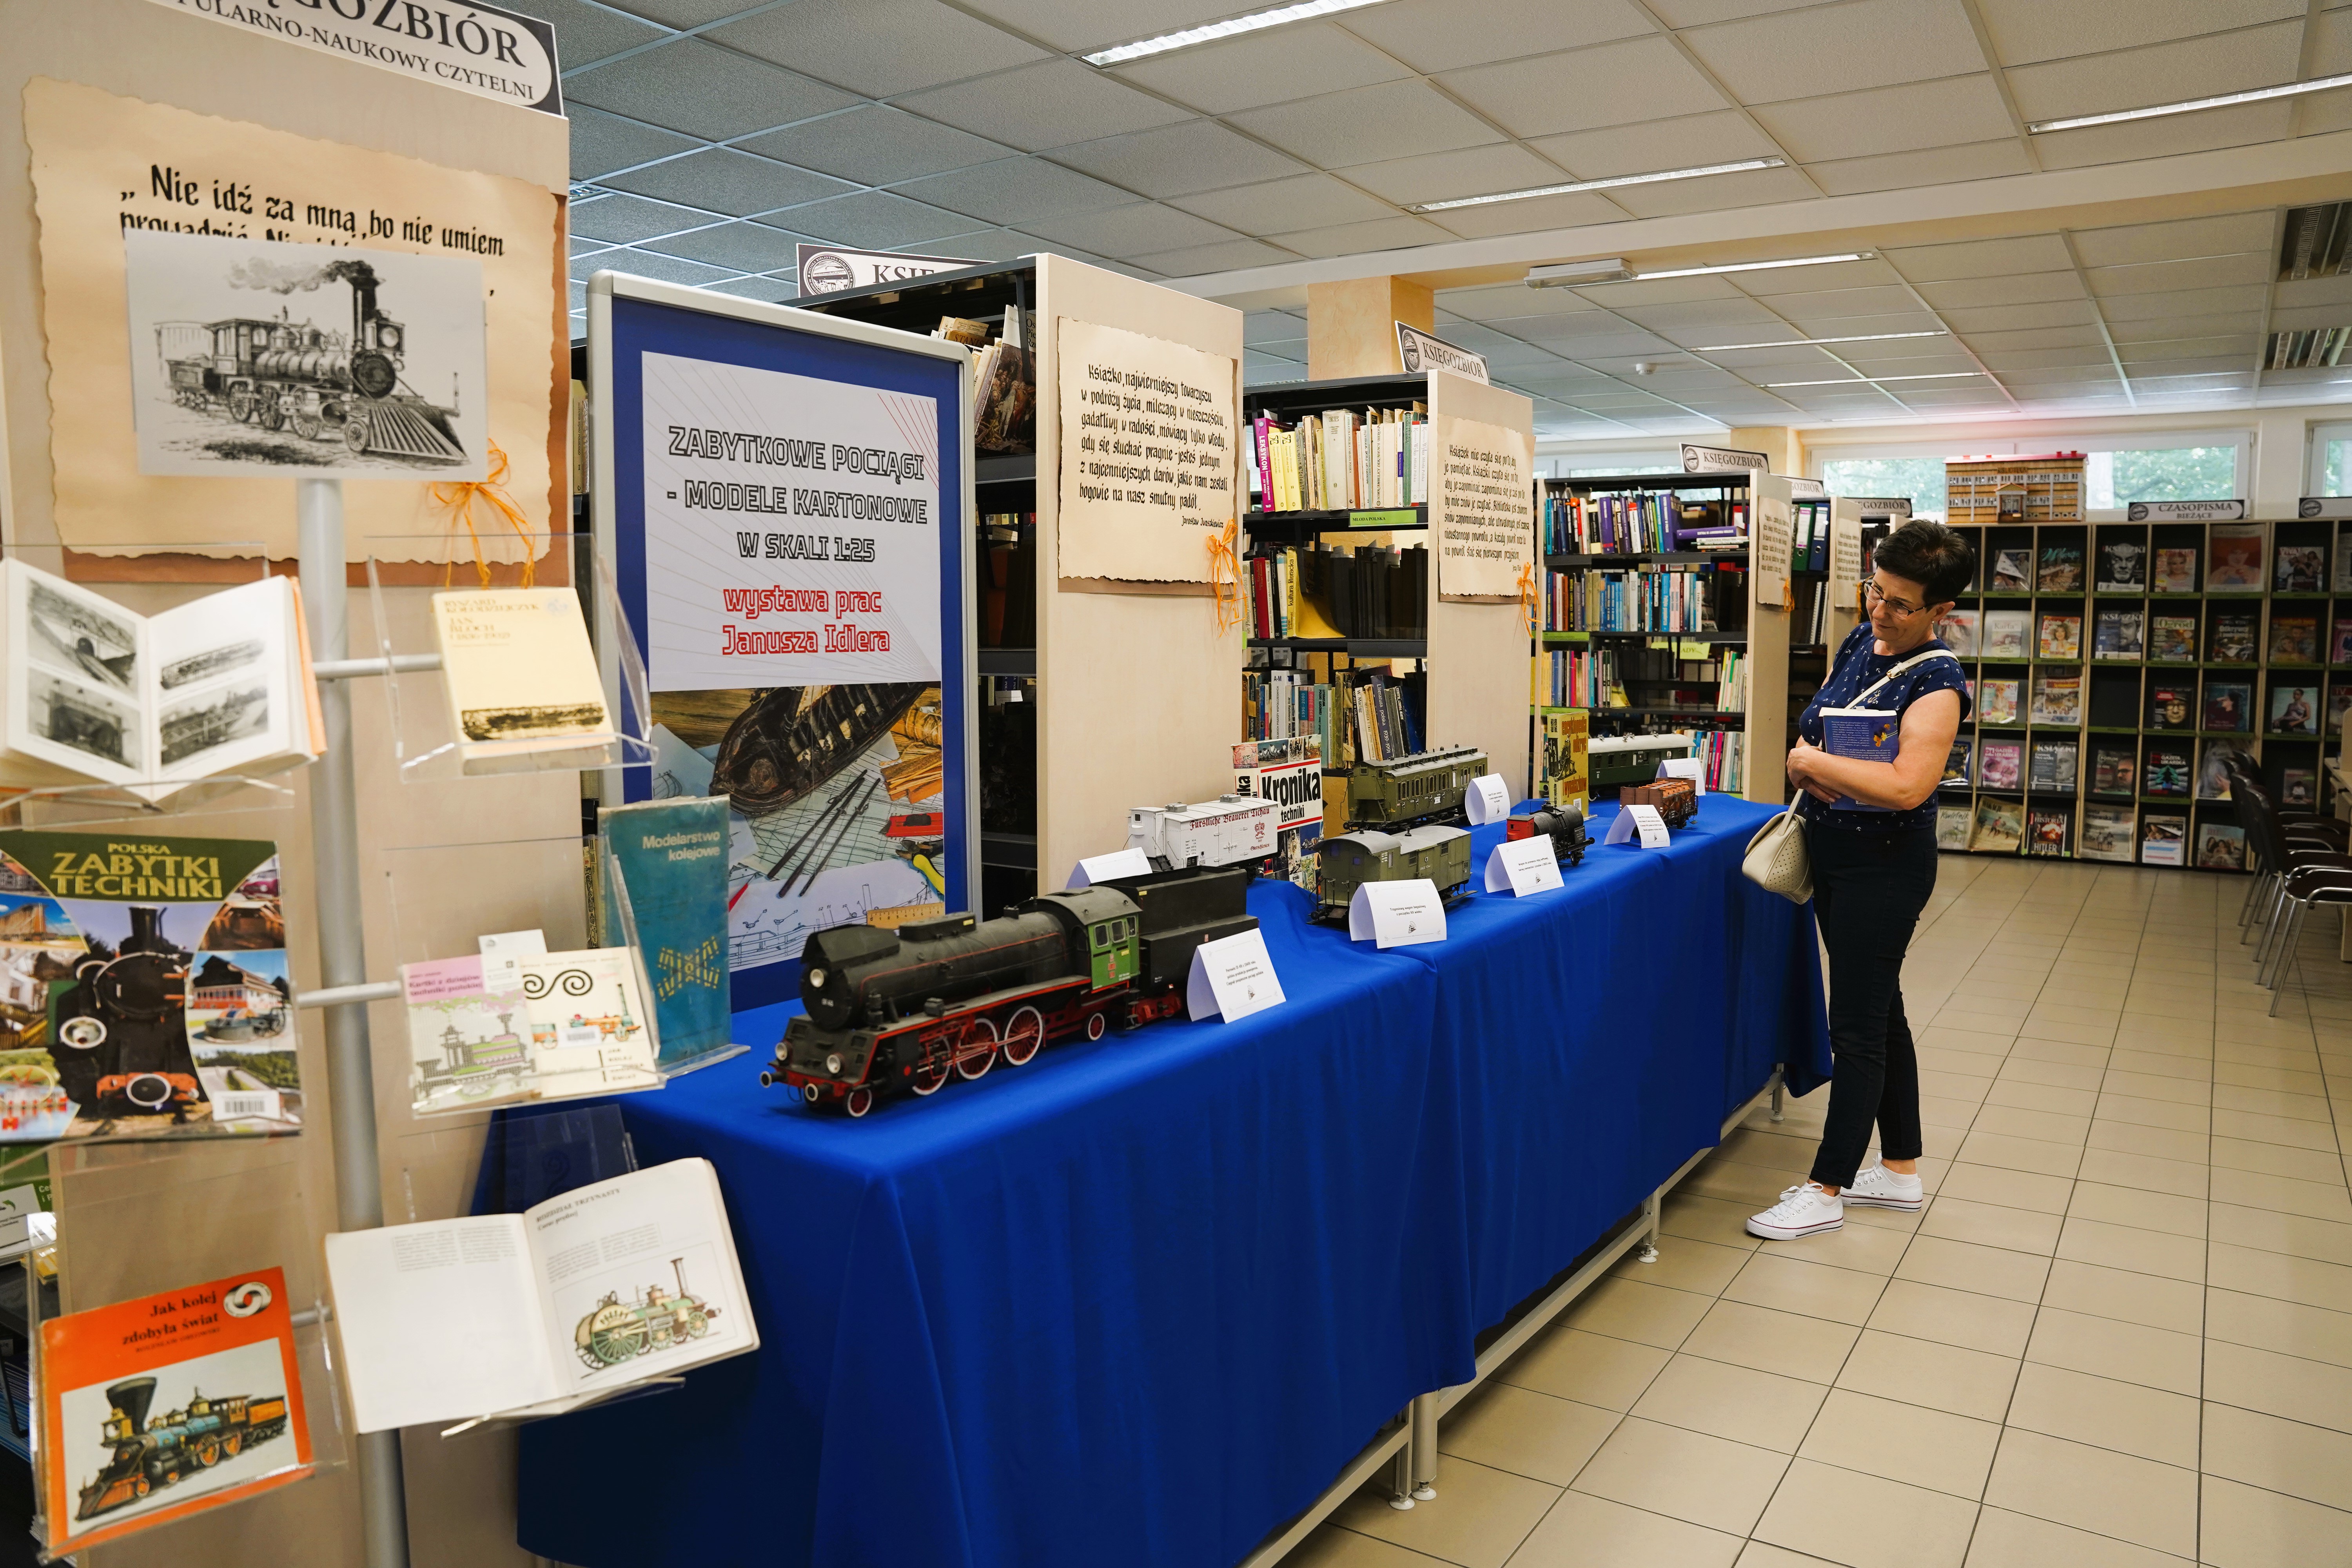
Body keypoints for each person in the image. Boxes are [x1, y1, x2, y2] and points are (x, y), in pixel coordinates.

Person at [1748, 521, 1973, 1241]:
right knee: (1884, 1015)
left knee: (1856, 1029)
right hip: (1835, 855)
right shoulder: (1858, 642)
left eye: (1901, 604)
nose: (1880, 610)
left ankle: (1826, 1188)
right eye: (1877, 591)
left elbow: (1909, 786)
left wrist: (1815, 767)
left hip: (1886, 867)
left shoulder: (1940, 681)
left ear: (1941, 612)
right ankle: (1901, 1170)